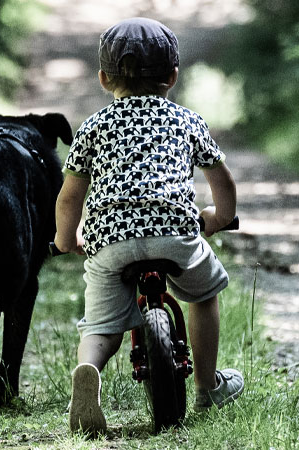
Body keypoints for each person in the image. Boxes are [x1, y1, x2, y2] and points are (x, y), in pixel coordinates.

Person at [53, 17, 244, 434]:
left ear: (104, 78)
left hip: (110, 237)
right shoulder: (187, 120)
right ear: (173, 75)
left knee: (101, 324)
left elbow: (70, 196)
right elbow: (222, 182)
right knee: (205, 293)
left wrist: (67, 239)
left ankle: (88, 370)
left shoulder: (93, 127)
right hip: (176, 231)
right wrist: (219, 218)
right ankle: (207, 386)